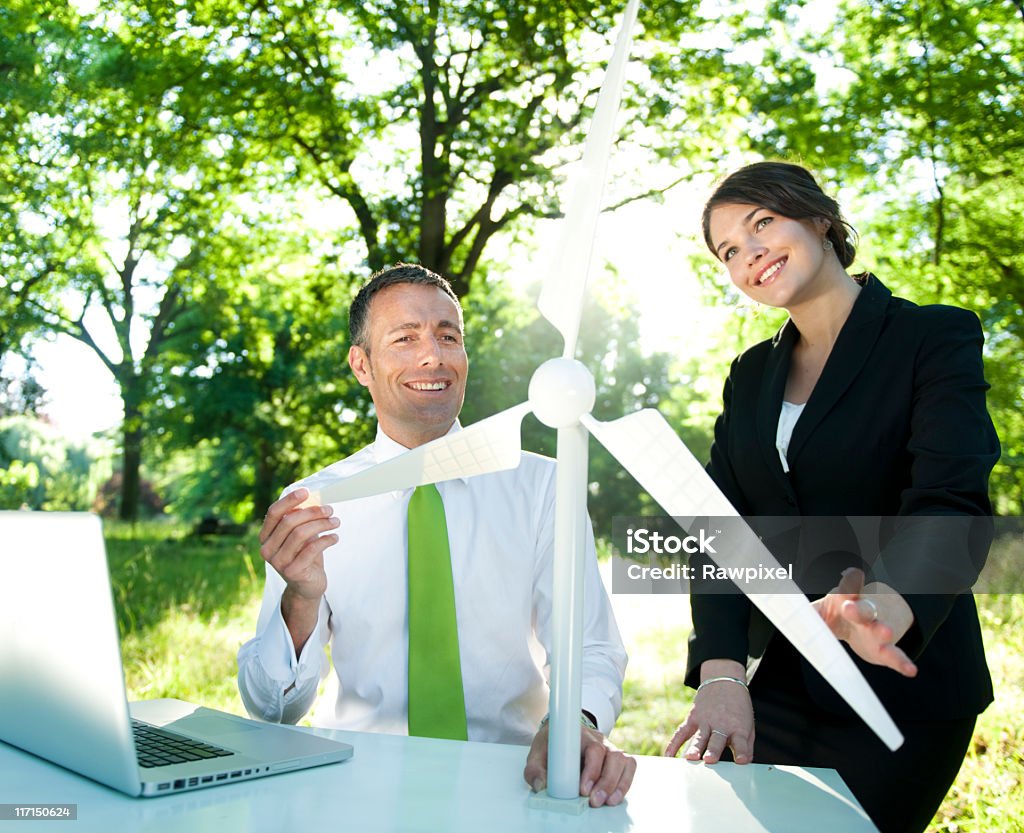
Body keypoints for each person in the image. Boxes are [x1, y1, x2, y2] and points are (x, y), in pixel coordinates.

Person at [664, 162, 999, 833]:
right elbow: (719, 530)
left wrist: (887, 602)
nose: (748, 251)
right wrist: (724, 675)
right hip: (788, 679)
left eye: (762, 223)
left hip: (907, 688)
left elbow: (951, 499)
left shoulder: (931, 336)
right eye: (729, 249)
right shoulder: (751, 374)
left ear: (819, 217)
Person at [237, 263, 635, 807]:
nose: (434, 356)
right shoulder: (313, 503)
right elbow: (274, 710)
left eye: (449, 336)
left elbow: (588, 645)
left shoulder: (545, 486)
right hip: (356, 781)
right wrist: (300, 599)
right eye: (405, 338)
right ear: (362, 364)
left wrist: (575, 725)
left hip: (516, 779)